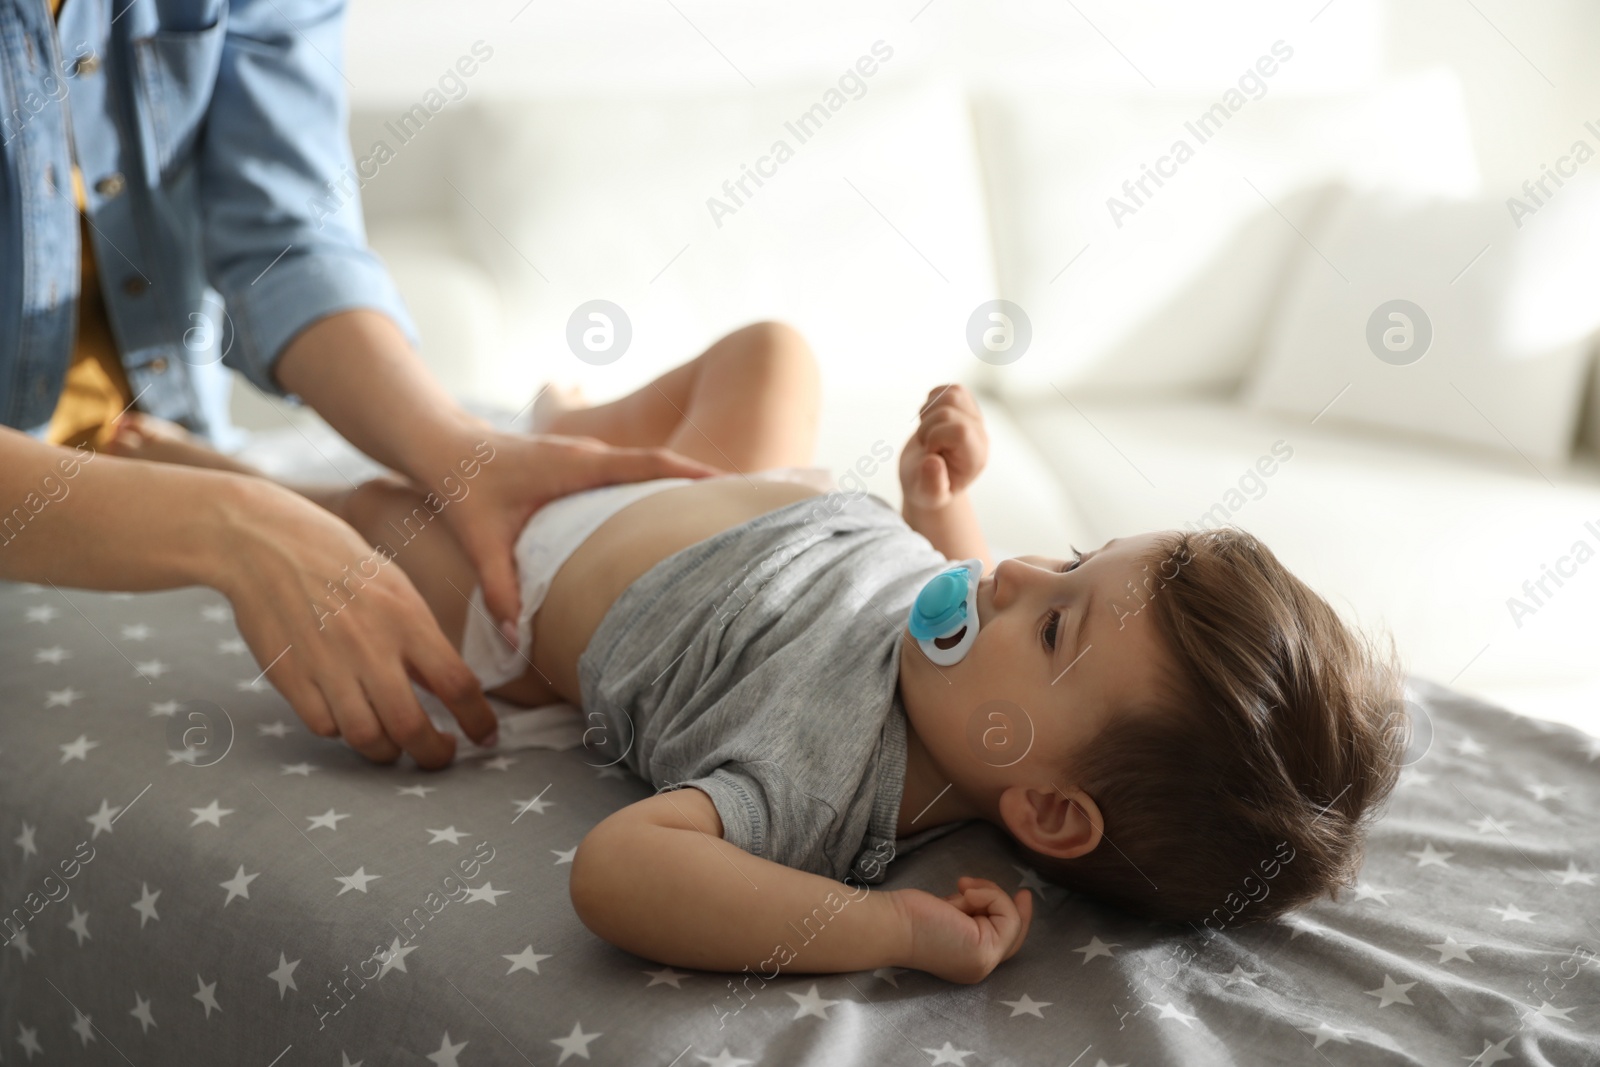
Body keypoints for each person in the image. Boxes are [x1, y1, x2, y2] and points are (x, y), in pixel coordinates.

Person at [117, 319, 1408, 984]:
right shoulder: (986, 676)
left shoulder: (831, 772)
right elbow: (955, 588)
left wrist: (886, 928)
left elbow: (622, 870)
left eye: (1058, 614)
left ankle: (221, 469)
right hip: (741, 486)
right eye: (1077, 555)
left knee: (368, 529)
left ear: (1048, 806)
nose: (1019, 569)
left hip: (542, 577)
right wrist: (937, 497)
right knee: (773, 350)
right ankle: (559, 422)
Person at [0, 0, 711, 769]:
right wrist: (232, 524)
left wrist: (454, 445)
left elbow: (284, 235)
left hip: (155, 442)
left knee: (391, 516)